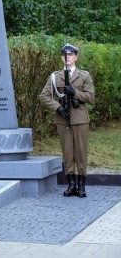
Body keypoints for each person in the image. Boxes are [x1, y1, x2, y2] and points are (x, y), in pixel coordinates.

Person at [39, 43, 95, 198]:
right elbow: (44, 96)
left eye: (70, 54)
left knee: (81, 153)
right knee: (68, 152)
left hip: (80, 119)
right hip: (63, 119)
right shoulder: (55, 76)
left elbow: (91, 97)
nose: (67, 57)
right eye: (65, 54)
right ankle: (71, 184)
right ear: (61, 57)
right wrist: (58, 108)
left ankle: (81, 185)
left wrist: (75, 92)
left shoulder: (84, 76)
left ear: (76, 57)